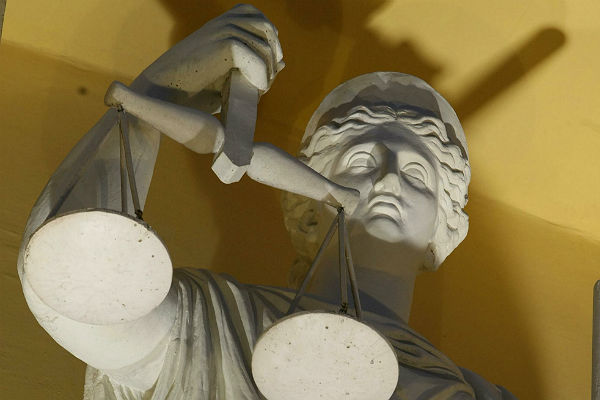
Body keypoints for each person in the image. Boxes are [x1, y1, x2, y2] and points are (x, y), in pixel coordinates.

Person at [18, 5, 517, 399]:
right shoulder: (221, 325)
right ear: (305, 204)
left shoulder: (476, 394)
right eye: (362, 161)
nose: (388, 179)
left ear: (446, 231)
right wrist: (162, 87)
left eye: (416, 173)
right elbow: (69, 284)